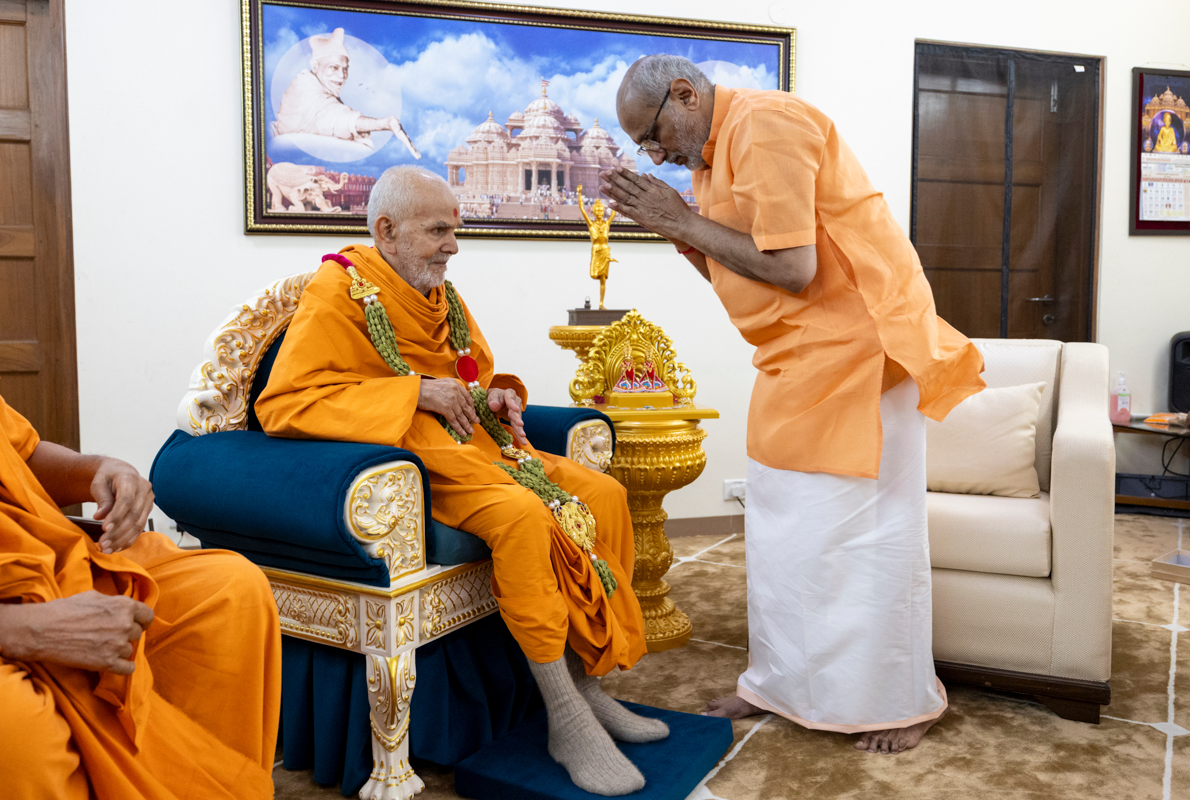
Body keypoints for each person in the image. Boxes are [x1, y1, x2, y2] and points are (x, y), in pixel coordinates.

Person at [605, 55, 985, 755]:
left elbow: (792, 267)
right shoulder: (710, 157)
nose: (655, 155)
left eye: (653, 136)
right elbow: (736, 259)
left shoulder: (767, 125)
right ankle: (779, 684)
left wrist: (679, 220)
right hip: (797, 357)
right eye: (643, 149)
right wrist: (677, 223)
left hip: (863, 348)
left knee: (866, 540)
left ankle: (901, 699)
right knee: (784, 534)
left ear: (685, 95)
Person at [255, 165, 664, 795]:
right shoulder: (340, 291)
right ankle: (563, 714)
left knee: (604, 493)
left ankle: (589, 687)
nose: (453, 245)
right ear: (386, 230)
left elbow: (469, 373)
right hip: (412, 460)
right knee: (524, 517)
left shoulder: (441, 293)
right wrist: (415, 393)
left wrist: (491, 397)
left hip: (478, 446)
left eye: (456, 229)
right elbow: (286, 404)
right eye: (438, 230)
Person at [0, 362, 281, 798]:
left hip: (37, 555)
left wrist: (102, 470)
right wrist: (16, 630)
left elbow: (16, 456)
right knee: (15, 726)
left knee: (230, 590)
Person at [274, 27, 422, 157]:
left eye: (345, 69)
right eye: (334, 67)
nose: (342, 75)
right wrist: (384, 123)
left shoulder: (320, 89)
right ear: (315, 66)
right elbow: (339, 119)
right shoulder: (304, 89)